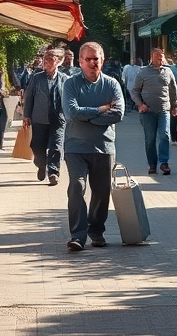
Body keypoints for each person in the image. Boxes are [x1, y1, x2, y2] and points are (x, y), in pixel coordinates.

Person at [60, 41, 125, 252]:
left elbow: (119, 113)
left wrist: (87, 117)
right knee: (77, 188)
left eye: (95, 59)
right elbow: (71, 113)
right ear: (79, 61)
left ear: (102, 60)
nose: (92, 63)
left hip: (104, 147)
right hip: (75, 147)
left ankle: (96, 231)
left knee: (102, 192)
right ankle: (77, 236)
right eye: (87, 59)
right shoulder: (70, 84)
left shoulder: (112, 84)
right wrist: (100, 109)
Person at [131, 48, 177, 175]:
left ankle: (164, 163)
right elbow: (135, 91)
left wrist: (176, 106)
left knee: (165, 135)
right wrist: (140, 105)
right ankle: (152, 164)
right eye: (158, 56)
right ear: (151, 57)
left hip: (164, 110)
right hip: (148, 112)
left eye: (162, 56)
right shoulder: (143, 72)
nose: (160, 58)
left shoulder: (168, 71)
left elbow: (173, 89)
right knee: (150, 139)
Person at [23, 48, 66, 185]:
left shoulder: (65, 79)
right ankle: (41, 164)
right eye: (45, 59)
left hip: (58, 118)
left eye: (50, 60)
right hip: (39, 118)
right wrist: (26, 115)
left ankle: (53, 173)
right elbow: (29, 97)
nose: (46, 62)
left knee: (56, 146)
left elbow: (69, 99)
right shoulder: (37, 77)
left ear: (58, 62)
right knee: (37, 146)